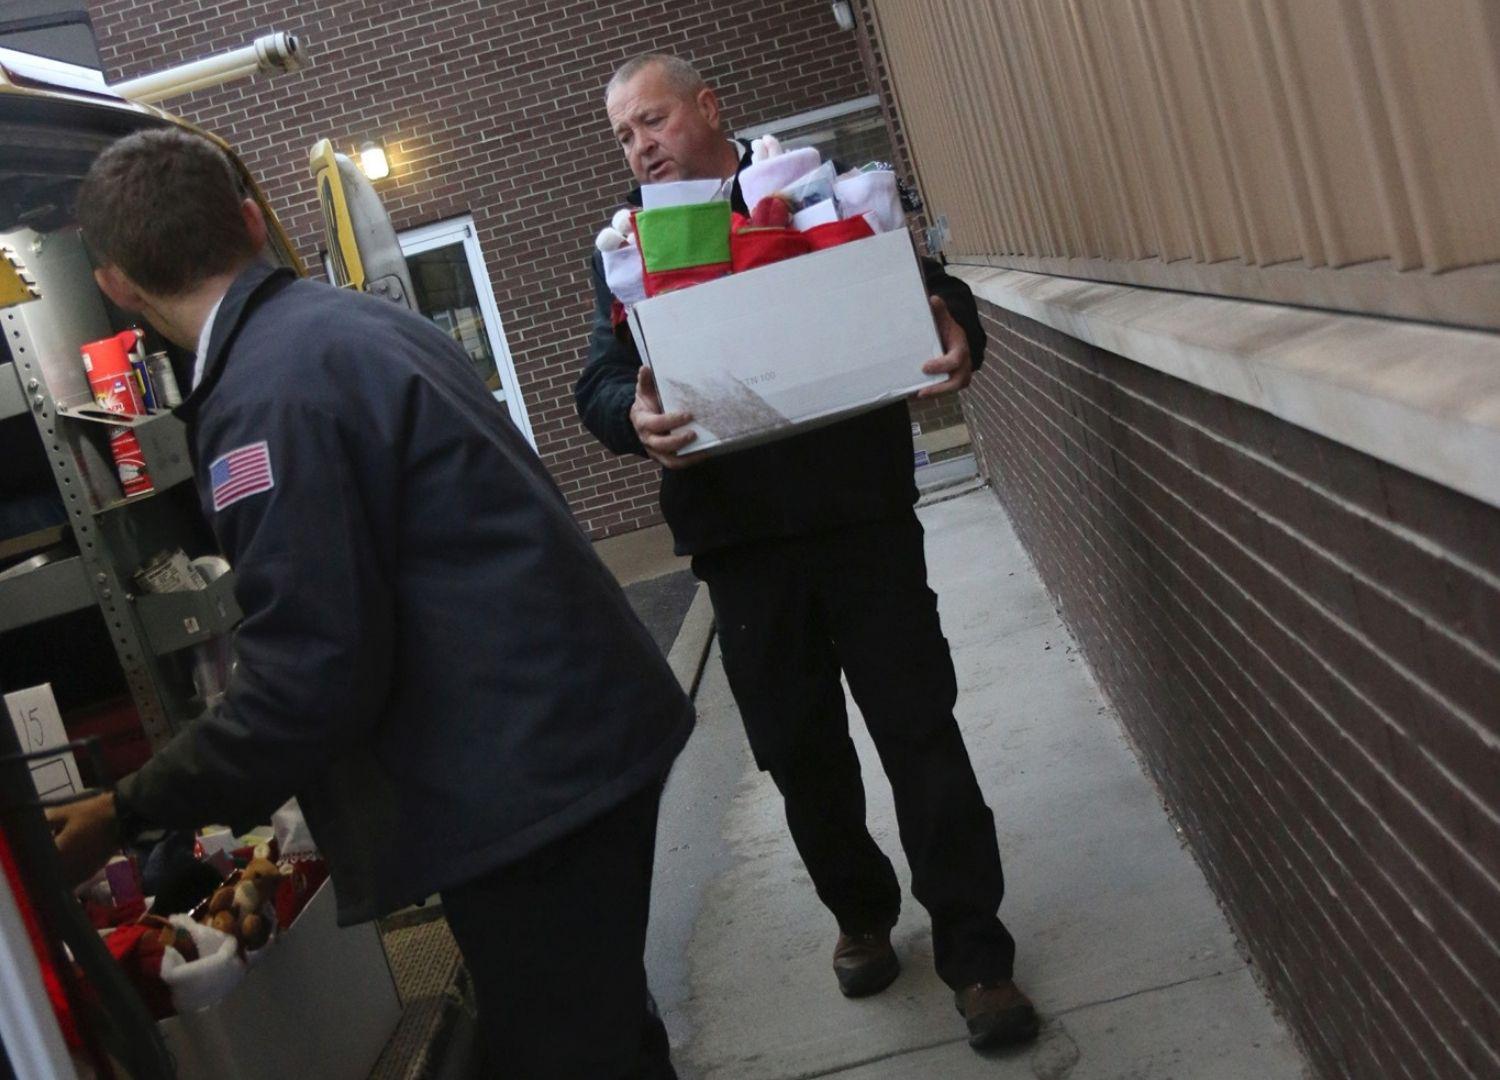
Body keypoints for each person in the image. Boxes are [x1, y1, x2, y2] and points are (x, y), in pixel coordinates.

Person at [49, 127, 690, 1080]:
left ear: (117, 288)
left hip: (528, 781)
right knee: (596, 1031)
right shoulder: (346, 326)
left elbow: (312, 679)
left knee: (566, 1049)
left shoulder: (265, 400)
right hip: (566, 744)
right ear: (251, 220)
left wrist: (125, 807)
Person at [576, 54, 1039, 1052]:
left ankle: (978, 953)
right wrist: (632, 413)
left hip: (860, 517)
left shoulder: (811, 191)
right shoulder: (629, 248)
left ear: (708, 107)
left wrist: (955, 324)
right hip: (741, 548)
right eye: (623, 135)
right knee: (799, 755)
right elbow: (601, 381)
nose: (640, 145)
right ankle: (861, 913)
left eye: (651, 121)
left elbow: (921, 289)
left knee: (920, 731)